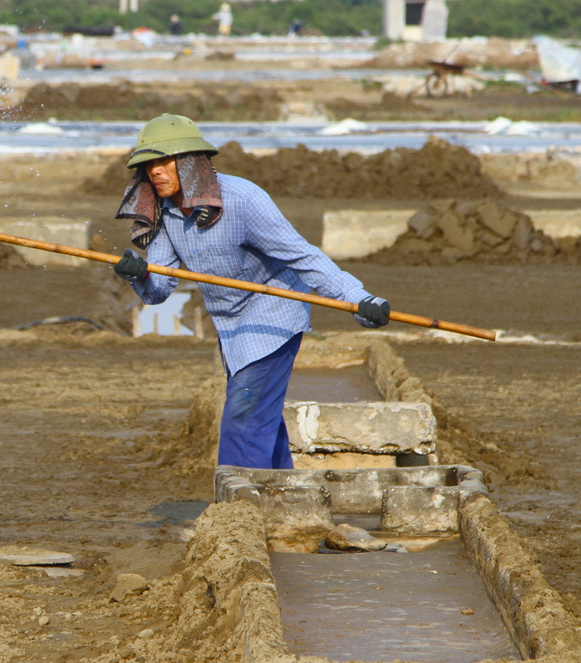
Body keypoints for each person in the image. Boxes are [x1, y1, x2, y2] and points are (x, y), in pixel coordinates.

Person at [112, 114, 391, 470]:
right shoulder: (164, 212)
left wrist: (359, 300)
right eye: (148, 164)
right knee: (262, 418)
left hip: (274, 313)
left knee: (244, 414)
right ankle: (287, 500)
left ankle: (240, 506)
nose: (155, 171)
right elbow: (159, 291)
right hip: (230, 327)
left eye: (165, 161)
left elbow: (302, 255)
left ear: (190, 163)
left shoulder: (243, 200)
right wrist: (137, 275)